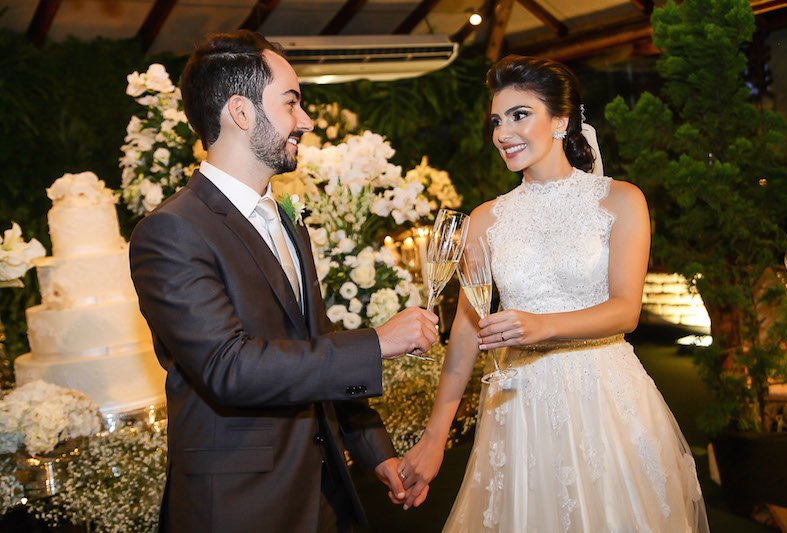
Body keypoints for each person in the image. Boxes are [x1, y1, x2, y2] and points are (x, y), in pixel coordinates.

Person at [129, 30, 438, 533]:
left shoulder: (287, 220)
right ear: (241, 111)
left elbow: (311, 345)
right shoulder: (172, 231)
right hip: (239, 508)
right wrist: (379, 343)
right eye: (291, 103)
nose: (306, 120)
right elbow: (229, 367)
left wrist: (373, 450)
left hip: (322, 496)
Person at [396, 55, 709, 532]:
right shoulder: (485, 218)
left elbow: (626, 311)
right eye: (497, 120)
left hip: (604, 397)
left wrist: (542, 325)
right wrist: (435, 436)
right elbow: (466, 324)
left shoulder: (620, 200)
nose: (503, 132)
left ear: (561, 120)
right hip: (519, 403)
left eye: (520, 115)